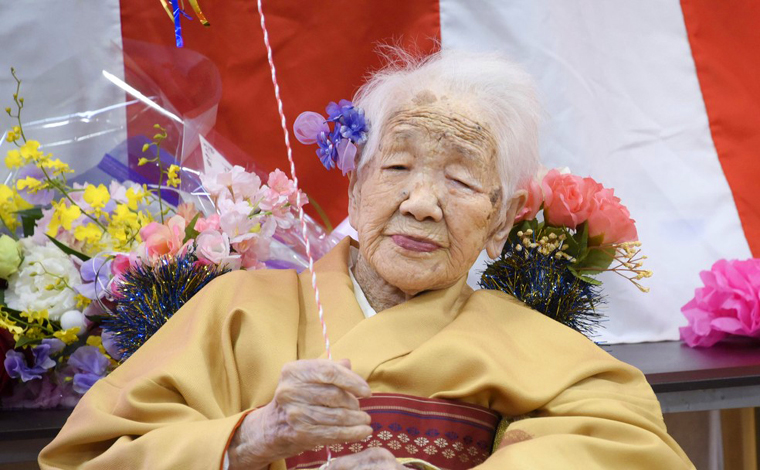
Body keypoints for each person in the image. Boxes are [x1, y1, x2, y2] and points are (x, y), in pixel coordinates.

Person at [39, 49, 694, 470]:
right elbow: (91, 459)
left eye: (461, 182)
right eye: (399, 166)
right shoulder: (231, 312)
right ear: (354, 185)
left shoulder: (547, 353)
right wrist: (249, 439)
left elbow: (627, 453)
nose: (421, 202)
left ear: (502, 220)